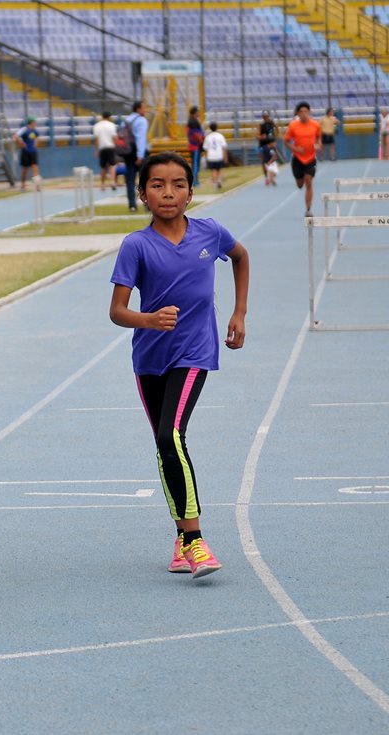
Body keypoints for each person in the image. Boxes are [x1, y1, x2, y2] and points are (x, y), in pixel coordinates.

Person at [108, 152, 249, 580]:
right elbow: (117, 311)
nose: (168, 193)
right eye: (157, 185)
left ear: (191, 190)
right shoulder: (136, 244)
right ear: (143, 194)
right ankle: (181, 537)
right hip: (150, 358)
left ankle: (195, 541)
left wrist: (239, 313)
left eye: (177, 184)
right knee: (166, 446)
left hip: (195, 351)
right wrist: (148, 320)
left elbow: (241, 258)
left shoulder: (211, 232)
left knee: (171, 434)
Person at [285, 101, 322, 217]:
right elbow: (286, 141)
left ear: (309, 112)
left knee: (308, 181)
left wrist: (318, 145)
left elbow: (319, 138)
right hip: (297, 159)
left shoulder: (315, 125)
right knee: (300, 185)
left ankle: (308, 210)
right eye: (301, 111)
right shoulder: (293, 125)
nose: (304, 113)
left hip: (310, 158)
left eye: (306, 111)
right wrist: (295, 149)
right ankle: (299, 179)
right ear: (298, 113)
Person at [122, 100, 150, 212]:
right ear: (138, 109)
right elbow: (140, 138)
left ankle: (132, 205)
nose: (145, 110)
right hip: (139, 152)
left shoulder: (127, 120)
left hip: (127, 152)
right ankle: (147, 203)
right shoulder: (141, 120)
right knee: (145, 179)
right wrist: (140, 155)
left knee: (130, 179)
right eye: (144, 108)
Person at [13, 115, 41, 190]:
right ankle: (23, 185)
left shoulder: (35, 130)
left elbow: (37, 137)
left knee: (35, 167)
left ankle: (37, 186)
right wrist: (21, 142)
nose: (35, 123)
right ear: (31, 123)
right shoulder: (24, 129)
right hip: (25, 151)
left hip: (33, 152)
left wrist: (36, 143)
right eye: (34, 122)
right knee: (25, 169)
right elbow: (15, 136)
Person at [93, 111, 118, 190]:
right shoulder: (112, 125)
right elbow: (114, 138)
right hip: (110, 147)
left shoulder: (97, 126)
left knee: (103, 167)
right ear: (109, 117)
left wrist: (96, 150)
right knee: (112, 165)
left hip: (102, 148)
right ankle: (113, 181)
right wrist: (115, 147)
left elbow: (96, 139)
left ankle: (102, 184)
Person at [202, 121, 227, 189]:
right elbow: (224, 147)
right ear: (216, 128)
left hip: (211, 156)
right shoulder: (220, 136)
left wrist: (206, 158)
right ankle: (219, 180)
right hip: (219, 155)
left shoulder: (208, 137)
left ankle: (215, 184)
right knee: (219, 169)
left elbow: (205, 149)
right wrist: (225, 157)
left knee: (213, 170)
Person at [186, 106, 204, 187]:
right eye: (197, 112)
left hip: (195, 146)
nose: (199, 113)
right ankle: (195, 182)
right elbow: (196, 134)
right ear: (194, 113)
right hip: (195, 146)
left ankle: (196, 180)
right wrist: (202, 142)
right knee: (195, 164)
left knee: (196, 164)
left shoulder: (194, 121)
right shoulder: (192, 122)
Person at [257, 110, 277, 176]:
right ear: (262, 117)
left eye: (267, 116)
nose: (266, 118)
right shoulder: (261, 125)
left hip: (270, 144)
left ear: (269, 116)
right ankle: (266, 176)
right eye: (264, 116)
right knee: (263, 161)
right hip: (262, 145)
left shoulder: (272, 123)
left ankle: (272, 173)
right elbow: (257, 136)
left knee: (273, 158)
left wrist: (275, 138)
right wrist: (262, 137)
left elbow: (277, 130)